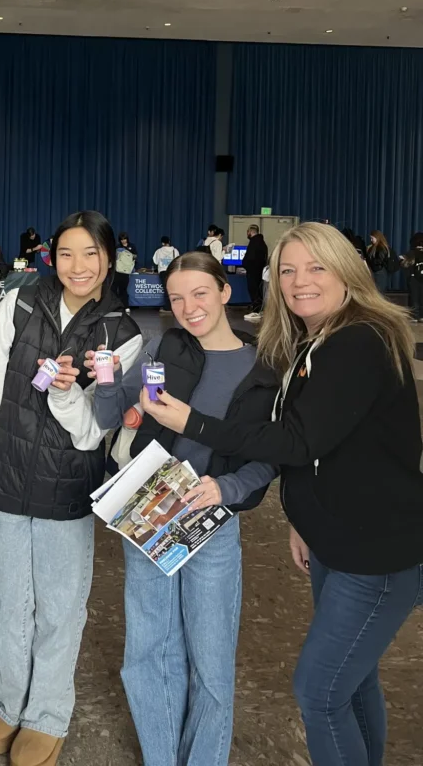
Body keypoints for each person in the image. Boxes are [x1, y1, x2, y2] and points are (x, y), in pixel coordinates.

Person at [142, 222, 423, 766]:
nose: (300, 282)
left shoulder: (359, 340)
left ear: (348, 270)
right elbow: (331, 444)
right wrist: (303, 515)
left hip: (375, 554)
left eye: (316, 267)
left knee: (319, 692)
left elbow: (296, 439)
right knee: (353, 681)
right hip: (335, 542)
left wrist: (193, 422)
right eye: (288, 270)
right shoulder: (317, 340)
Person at [0, 211, 143, 766]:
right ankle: (10, 705)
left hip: (67, 494)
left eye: (90, 254)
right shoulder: (20, 303)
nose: (77, 266)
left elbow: (93, 434)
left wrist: (65, 393)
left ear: (109, 258)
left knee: (60, 608)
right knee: (9, 606)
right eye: (66, 254)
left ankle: (48, 714)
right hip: (4, 484)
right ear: (50, 257)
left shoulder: (122, 335)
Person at [91, 251, 278, 766]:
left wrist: (228, 488)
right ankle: (161, 757)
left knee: (211, 662)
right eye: (177, 298)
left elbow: (269, 456)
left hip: (212, 523)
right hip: (150, 510)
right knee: (149, 652)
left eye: (200, 293)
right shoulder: (165, 347)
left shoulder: (262, 366)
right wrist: (107, 380)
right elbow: (113, 413)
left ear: (225, 291)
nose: (189, 307)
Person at [243, 224, 269, 322]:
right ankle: (260, 310)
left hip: (253, 272)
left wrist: (245, 264)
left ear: (251, 231)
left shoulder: (254, 243)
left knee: (254, 290)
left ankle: (256, 310)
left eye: (248, 232)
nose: (247, 234)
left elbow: (250, 258)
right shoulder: (262, 243)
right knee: (259, 290)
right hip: (260, 271)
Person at [114, 232, 138, 311]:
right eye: (122, 239)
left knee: (123, 290)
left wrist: (127, 253)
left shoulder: (132, 246)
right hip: (117, 271)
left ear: (127, 239)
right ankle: (116, 307)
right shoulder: (117, 247)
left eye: (124, 239)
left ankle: (126, 306)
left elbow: (135, 257)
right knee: (114, 289)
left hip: (126, 271)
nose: (123, 241)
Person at [403, 231, 423, 322]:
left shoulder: (411, 253)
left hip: (414, 278)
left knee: (414, 297)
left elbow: (405, 265)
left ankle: (415, 316)